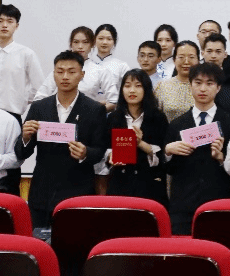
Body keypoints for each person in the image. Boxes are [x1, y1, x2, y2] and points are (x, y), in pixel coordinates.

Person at [16, 51, 108, 228]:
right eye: (60, 71)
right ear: (54, 74)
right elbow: (22, 152)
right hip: (42, 193)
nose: (65, 76)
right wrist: (25, 137)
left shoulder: (94, 109)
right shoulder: (39, 107)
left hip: (78, 192)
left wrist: (85, 153)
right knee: (39, 241)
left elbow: (100, 150)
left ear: (82, 75)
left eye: (71, 72)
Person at [165, 62, 230, 234]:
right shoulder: (177, 124)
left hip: (218, 203)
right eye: (198, 83)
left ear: (218, 88)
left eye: (209, 83)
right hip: (183, 205)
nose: (203, 88)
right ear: (190, 85)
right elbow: (169, 168)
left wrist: (221, 158)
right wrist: (168, 152)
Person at [105, 68, 168, 204]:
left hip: (149, 185)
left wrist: (139, 143)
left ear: (146, 89)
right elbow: (106, 148)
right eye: (127, 86)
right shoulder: (114, 118)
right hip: (120, 184)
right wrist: (111, 157)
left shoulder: (158, 118)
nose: (132, 91)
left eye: (138, 86)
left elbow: (163, 155)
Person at [34, 25, 115, 106]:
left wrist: (93, 109)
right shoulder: (60, 70)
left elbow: (113, 101)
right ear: (71, 44)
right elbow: (39, 97)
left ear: (93, 44)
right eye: (76, 42)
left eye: (85, 42)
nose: (80, 47)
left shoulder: (100, 71)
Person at [87, 24, 130, 109]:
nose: (104, 42)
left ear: (114, 41)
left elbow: (127, 91)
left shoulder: (122, 66)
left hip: (114, 111)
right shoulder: (86, 64)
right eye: (101, 38)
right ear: (94, 40)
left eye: (109, 39)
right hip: (87, 110)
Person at [155, 40, 200, 121]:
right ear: (174, 60)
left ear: (198, 60)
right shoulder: (162, 86)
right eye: (181, 57)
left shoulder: (205, 86)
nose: (186, 62)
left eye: (191, 57)